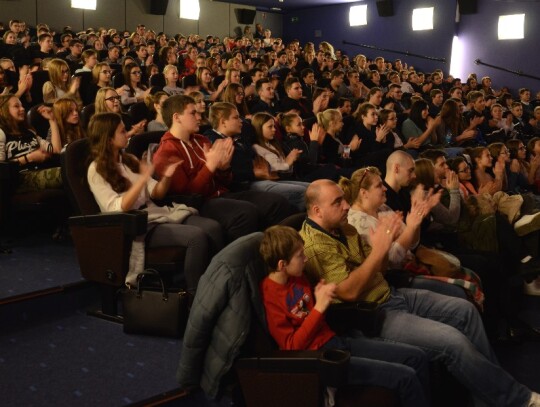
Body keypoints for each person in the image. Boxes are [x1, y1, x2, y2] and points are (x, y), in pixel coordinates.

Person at [299, 179, 540, 407]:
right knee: (453, 342)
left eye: (344, 199)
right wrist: (379, 251)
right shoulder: (316, 246)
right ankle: (516, 399)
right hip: (371, 316)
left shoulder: (346, 229)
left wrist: (394, 239)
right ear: (317, 211)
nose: (346, 205)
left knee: (464, 310)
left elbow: (381, 268)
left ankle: (489, 397)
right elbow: (349, 293)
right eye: (337, 202)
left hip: (390, 293)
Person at [259, 225, 430, 407]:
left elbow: (311, 313)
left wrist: (321, 295)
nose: (306, 258)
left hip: (336, 340)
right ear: (281, 265)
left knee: (417, 357)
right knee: (406, 377)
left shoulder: (298, 276)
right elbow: (291, 346)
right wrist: (319, 308)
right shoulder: (271, 296)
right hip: (324, 359)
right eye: (300, 255)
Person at [86, 112, 222, 292]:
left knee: (213, 227)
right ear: (108, 138)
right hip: (137, 226)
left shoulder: (130, 160)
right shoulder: (96, 169)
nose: (127, 134)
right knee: (196, 238)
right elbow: (118, 208)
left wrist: (166, 177)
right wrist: (143, 178)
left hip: (156, 212)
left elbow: (156, 193)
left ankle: (217, 286)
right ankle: (195, 296)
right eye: (121, 131)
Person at [0, 94, 62, 191]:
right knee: (68, 173)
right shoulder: (1, 133)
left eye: (22, 105)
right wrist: (29, 158)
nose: (22, 109)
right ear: (3, 111)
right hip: (20, 178)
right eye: (17, 106)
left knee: (73, 169)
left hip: (39, 170)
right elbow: (2, 169)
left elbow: (56, 150)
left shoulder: (29, 132)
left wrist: (52, 120)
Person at [250, 112, 310, 211]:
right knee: (304, 191)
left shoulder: (272, 144)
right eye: (270, 127)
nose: (274, 129)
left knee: (311, 187)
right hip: (270, 180)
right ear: (259, 128)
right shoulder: (256, 147)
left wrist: (289, 160)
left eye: (274, 126)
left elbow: (284, 166)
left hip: (282, 177)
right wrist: (288, 162)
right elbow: (273, 169)